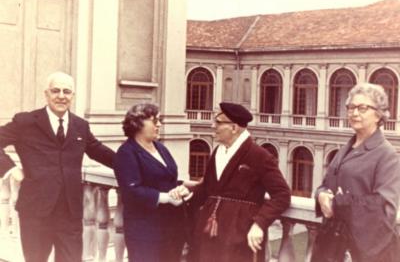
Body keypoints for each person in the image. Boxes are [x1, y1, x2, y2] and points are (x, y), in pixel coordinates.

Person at [0, 72, 115, 262]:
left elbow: (100, 152)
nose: (61, 96)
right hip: (35, 210)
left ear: (72, 96)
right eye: (56, 90)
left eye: (67, 91)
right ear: (46, 94)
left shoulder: (80, 126)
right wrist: (10, 169)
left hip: (70, 212)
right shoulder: (26, 122)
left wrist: (137, 165)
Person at [171, 102, 291, 262]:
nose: (213, 125)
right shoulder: (217, 152)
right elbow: (208, 189)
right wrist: (188, 192)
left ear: (234, 128)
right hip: (209, 233)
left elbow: (282, 195)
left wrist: (259, 223)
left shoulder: (259, 155)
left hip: (239, 235)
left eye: (219, 122)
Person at [313, 83, 400, 262]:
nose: (354, 113)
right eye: (351, 107)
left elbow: (385, 208)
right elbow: (325, 185)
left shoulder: (387, 155)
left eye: (362, 108)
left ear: (379, 114)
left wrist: (337, 204)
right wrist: (321, 195)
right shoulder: (345, 149)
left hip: (363, 252)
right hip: (332, 244)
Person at [113, 103, 191, 262]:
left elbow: (167, 179)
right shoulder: (126, 152)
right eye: (154, 120)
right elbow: (131, 192)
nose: (159, 124)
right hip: (144, 231)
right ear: (138, 123)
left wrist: (181, 189)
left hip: (171, 227)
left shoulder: (160, 148)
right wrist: (166, 198)